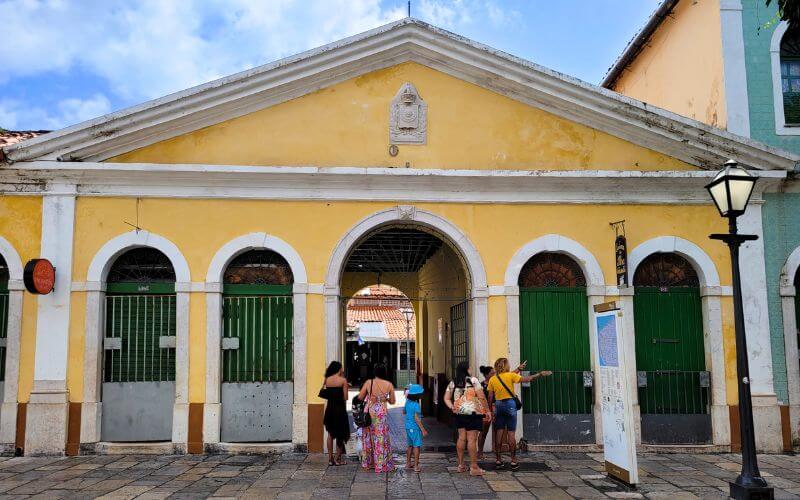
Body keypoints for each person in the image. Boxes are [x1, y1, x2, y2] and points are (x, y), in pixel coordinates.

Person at [487, 357, 552, 471]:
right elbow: (527, 379)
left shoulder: (493, 379)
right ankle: (513, 461)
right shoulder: (511, 376)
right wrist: (540, 374)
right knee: (511, 433)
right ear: (505, 366)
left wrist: (490, 410)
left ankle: (498, 460)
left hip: (498, 406)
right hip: (510, 405)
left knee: (499, 432)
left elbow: (490, 396)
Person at [444, 361, 490, 476]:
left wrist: (452, 407)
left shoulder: (453, 382)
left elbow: (446, 398)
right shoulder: (473, 381)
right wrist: (487, 410)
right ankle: (474, 467)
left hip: (459, 414)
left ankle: (460, 465)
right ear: (466, 369)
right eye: (470, 368)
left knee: (461, 438)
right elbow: (482, 397)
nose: (471, 369)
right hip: (473, 414)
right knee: (471, 439)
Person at [357, 363, 396, 473]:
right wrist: (384, 399)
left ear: (374, 372)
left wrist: (370, 397)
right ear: (385, 372)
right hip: (381, 413)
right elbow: (393, 401)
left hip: (370, 412)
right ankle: (381, 464)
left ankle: (369, 463)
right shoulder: (389, 384)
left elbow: (360, 397)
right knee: (380, 437)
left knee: (368, 437)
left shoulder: (369, 382)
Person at [321, 361, 350, 466]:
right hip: (340, 409)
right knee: (340, 434)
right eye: (341, 367)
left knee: (330, 434)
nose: (343, 369)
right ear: (339, 369)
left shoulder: (327, 380)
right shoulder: (343, 380)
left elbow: (325, 393)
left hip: (330, 409)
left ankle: (330, 459)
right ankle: (337, 459)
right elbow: (345, 397)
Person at [403, 384, 428, 472]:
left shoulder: (407, 402)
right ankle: (416, 466)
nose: (422, 395)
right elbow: (417, 419)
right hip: (415, 428)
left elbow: (403, 411)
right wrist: (423, 429)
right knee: (416, 446)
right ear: (417, 395)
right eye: (421, 394)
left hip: (408, 427)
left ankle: (408, 463)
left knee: (410, 446)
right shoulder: (416, 405)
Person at [477, 365, 496, 460]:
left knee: (492, 431)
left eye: (495, 373)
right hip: (484, 411)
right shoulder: (482, 385)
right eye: (492, 373)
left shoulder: (495, 383)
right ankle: (480, 452)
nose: (494, 374)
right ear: (486, 375)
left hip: (495, 410)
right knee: (483, 432)